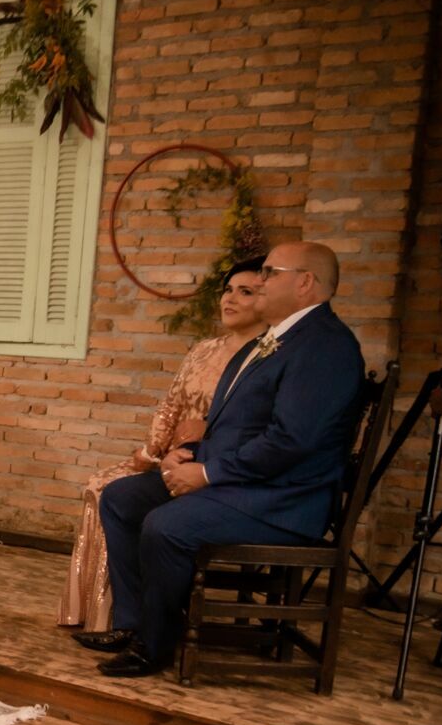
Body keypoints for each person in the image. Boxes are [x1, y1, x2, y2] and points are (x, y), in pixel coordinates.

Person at [90, 241, 366, 677]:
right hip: (244, 482)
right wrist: (189, 455)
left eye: (271, 272)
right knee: (122, 497)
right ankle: (134, 622)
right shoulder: (277, 340)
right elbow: (242, 427)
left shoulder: (324, 347)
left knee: (167, 526)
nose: (260, 280)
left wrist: (206, 472)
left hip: (284, 500)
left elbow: (292, 440)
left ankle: (154, 645)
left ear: (305, 282)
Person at [58, 257, 267, 632]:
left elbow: (249, 428)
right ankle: (108, 616)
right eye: (228, 290)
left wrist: (196, 452)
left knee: (124, 497)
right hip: (170, 456)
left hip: (214, 468)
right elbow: (170, 405)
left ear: (266, 299)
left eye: (246, 292)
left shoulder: (266, 357)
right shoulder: (204, 349)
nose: (230, 299)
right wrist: (154, 453)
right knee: (102, 486)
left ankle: (142, 621)